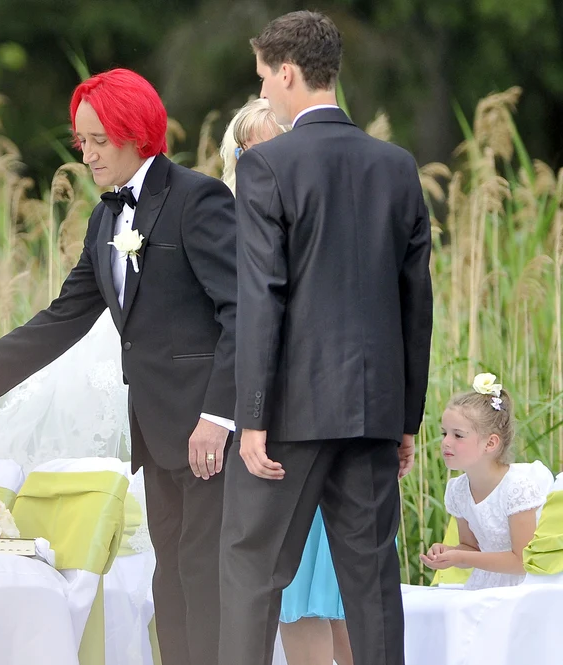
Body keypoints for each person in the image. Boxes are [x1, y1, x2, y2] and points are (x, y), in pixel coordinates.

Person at [0, 67, 237, 665]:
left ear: (134, 133)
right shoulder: (104, 218)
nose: (85, 155)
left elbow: (239, 312)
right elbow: (63, 317)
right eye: (80, 141)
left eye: (97, 141)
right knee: (169, 572)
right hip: (156, 429)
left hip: (207, 431)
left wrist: (218, 417)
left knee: (204, 573)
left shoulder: (198, 198)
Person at [220, 10, 434, 665]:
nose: (265, 91)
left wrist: (251, 417)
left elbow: (264, 295)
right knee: (372, 587)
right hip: (372, 411)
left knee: (251, 572)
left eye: (265, 79)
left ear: (288, 72)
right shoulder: (397, 167)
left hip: (288, 414)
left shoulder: (268, 167)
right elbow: (415, 299)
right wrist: (406, 418)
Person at [220, 98, 353, 665]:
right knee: (293, 592)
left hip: (334, 420)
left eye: (271, 138)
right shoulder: (230, 225)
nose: (262, 154)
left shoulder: (328, 215)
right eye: (249, 145)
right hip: (272, 426)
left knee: (346, 590)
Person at [421, 373, 554, 589]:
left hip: (524, 589)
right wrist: (451, 552)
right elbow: (471, 547)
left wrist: (462, 558)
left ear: (490, 443)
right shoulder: (458, 490)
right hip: (485, 584)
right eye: (445, 433)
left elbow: (522, 562)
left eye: (458, 435)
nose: (445, 442)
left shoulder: (516, 488)